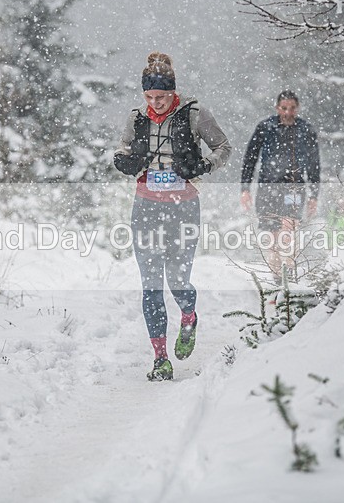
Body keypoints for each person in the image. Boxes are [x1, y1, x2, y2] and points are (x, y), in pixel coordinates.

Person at [114, 52, 232, 381]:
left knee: (177, 282)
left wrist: (206, 165)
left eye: (162, 97)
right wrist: (123, 161)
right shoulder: (136, 117)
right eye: (150, 97)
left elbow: (224, 146)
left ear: (173, 91)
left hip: (183, 206)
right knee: (151, 286)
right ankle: (160, 359)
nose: (157, 103)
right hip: (146, 206)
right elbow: (122, 149)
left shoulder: (195, 113)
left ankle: (189, 317)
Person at [240, 90, 320, 286]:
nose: (287, 112)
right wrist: (245, 189)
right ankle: (277, 280)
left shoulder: (305, 130)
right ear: (277, 108)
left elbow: (313, 164)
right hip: (267, 187)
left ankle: (289, 276)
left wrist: (314, 195)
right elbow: (250, 158)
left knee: (288, 230)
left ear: (297, 109)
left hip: (294, 188)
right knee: (271, 236)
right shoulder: (265, 127)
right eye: (284, 108)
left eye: (292, 108)